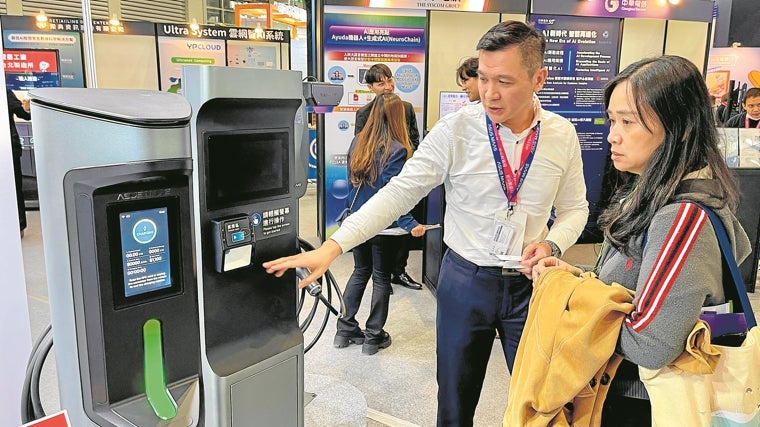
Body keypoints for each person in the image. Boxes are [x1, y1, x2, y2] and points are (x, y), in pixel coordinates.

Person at [265, 20, 589, 426]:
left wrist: (553, 244)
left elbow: (577, 208)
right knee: (454, 399)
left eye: (504, 81)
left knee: (540, 402)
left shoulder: (561, 135)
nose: (489, 93)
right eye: (484, 78)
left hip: (532, 284)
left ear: (538, 78)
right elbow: (398, 193)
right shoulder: (457, 129)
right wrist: (334, 247)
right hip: (465, 281)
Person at [532, 55, 751, 426]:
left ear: (679, 127)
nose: (612, 134)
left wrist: (570, 298)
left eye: (628, 122)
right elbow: (641, 286)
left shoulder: (680, 216)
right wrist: (578, 274)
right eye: (612, 120)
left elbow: (651, 343)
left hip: (643, 403)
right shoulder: (656, 195)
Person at [334, 93, 427, 355]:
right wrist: (410, 224)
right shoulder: (398, 149)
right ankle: (373, 337)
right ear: (398, 116)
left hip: (357, 222)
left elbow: (353, 186)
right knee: (381, 278)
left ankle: (345, 329)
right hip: (384, 225)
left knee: (360, 272)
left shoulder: (357, 142)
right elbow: (392, 194)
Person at [355, 63, 423, 291]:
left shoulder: (406, 107)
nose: (388, 86)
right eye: (381, 83)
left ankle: (399, 271)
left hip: (405, 175)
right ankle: (381, 274)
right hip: (378, 182)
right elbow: (361, 149)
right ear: (371, 87)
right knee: (379, 227)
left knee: (403, 223)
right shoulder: (363, 114)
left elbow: (415, 139)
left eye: (390, 80)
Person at [6, 89, 31, 237]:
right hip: (9, 146)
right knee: (15, 187)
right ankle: (18, 225)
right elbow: (23, 115)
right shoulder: (5, 92)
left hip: (9, 147)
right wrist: (28, 108)